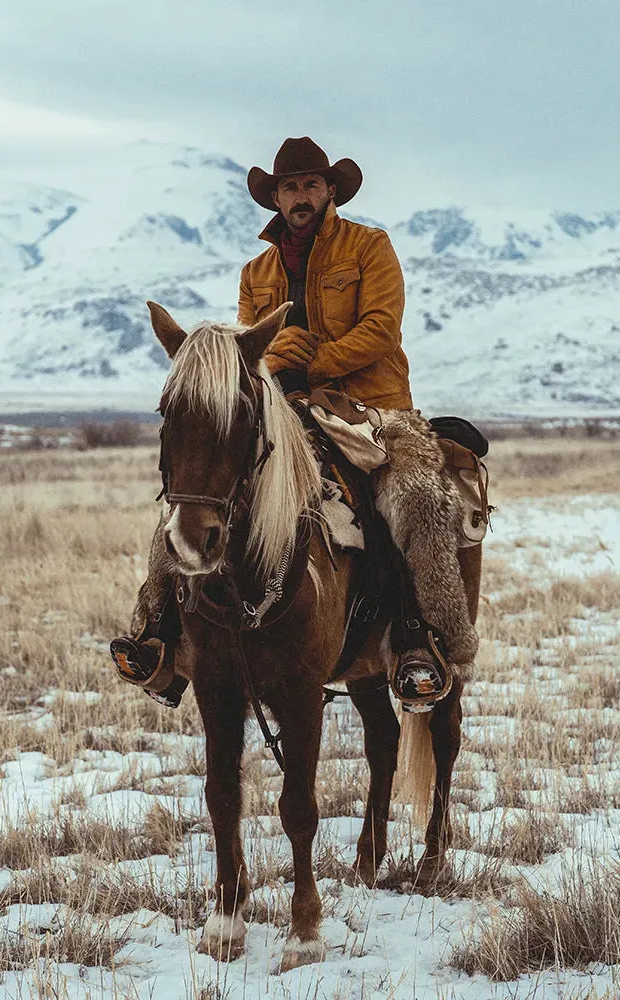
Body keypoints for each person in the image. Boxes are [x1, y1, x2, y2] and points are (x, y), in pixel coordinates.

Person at [110, 137, 477, 711]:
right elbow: (255, 351)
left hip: (374, 405)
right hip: (286, 406)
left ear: (330, 190)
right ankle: (158, 637)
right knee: (197, 491)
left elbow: (381, 328)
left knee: (416, 495)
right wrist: (283, 362)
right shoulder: (256, 271)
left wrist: (313, 359)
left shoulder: (369, 247)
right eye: (289, 187)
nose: (299, 196)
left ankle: (426, 644)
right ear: (275, 198)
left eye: (310, 184)